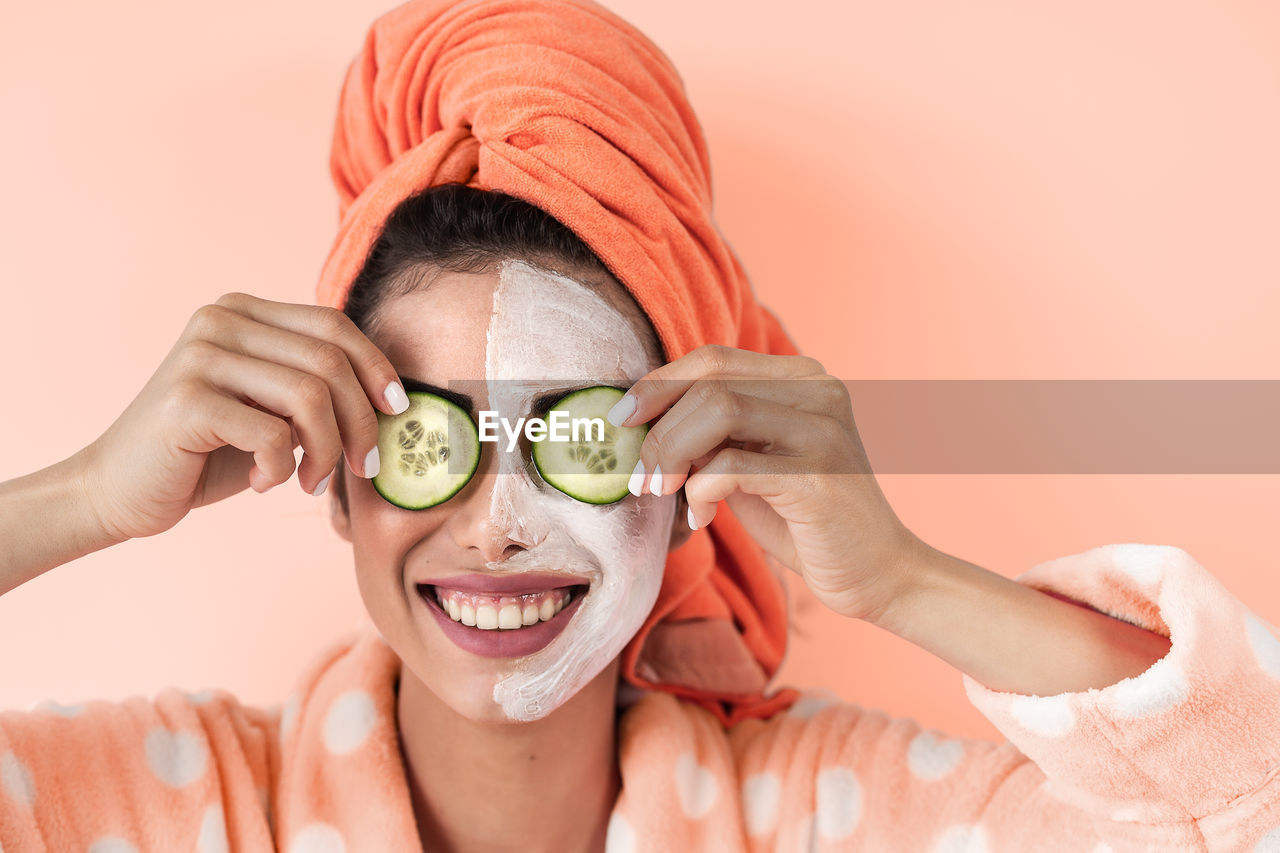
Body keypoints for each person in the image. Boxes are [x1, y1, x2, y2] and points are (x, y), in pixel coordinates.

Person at [1, 0, 1277, 851]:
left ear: (686, 480)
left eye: (582, 438)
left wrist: (899, 575)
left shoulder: (837, 816)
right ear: (334, 478)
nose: (495, 527)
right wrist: (77, 499)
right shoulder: (160, 807)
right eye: (422, 434)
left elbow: (1234, 805)